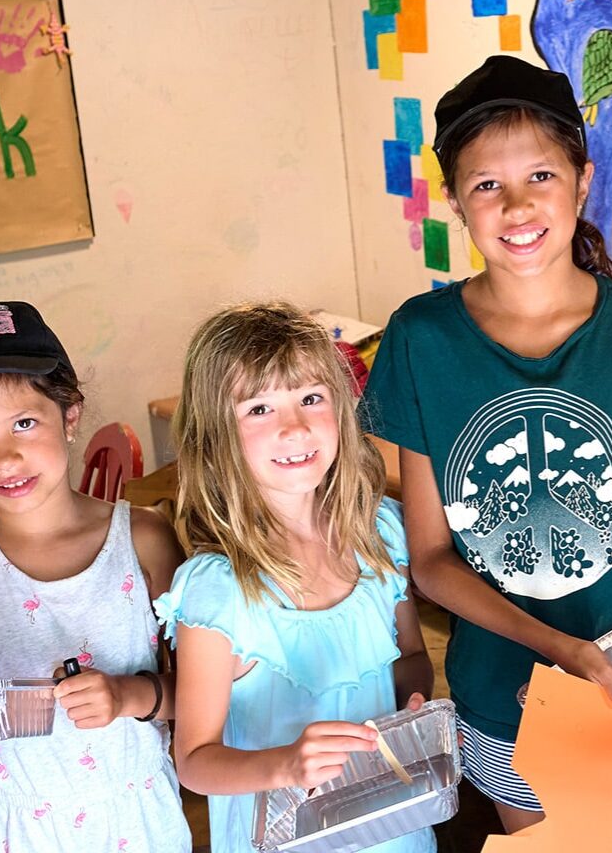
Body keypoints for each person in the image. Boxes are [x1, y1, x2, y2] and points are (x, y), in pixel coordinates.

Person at [361, 55, 612, 833]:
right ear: (456, 201)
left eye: (540, 177)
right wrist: (563, 650)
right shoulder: (420, 338)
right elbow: (434, 562)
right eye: (487, 185)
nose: (516, 206)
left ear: (582, 182)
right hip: (512, 700)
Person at [0, 301, 190, 853]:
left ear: (69, 414)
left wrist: (126, 695)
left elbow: (204, 692)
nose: (4, 457)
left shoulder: (144, 540)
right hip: (11, 826)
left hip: (135, 814)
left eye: (23, 422)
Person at [153, 302, 434, 853]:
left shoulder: (379, 535)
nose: (296, 426)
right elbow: (194, 760)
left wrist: (415, 706)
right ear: (217, 437)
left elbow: (412, 658)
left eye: (311, 398)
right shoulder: (219, 589)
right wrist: (287, 763)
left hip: (394, 833)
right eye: (259, 409)